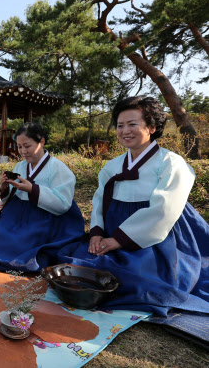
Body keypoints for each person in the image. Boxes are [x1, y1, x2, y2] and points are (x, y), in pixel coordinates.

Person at [58, 96, 209, 316]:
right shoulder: (112, 166)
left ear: (152, 127)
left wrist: (117, 240)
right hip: (113, 229)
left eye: (132, 124)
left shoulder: (172, 163)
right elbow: (99, 201)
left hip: (157, 237)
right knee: (80, 264)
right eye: (120, 125)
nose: (125, 131)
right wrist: (97, 234)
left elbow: (164, 210)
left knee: (137, 280)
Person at [0, 122, 85, 272]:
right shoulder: (20, 166)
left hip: (45, 218)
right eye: (19, 147)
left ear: (41, 142)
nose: (23, 151)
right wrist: (4, 188)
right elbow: (10, 200)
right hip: (17, 214)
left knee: (21, 244)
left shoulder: (59, 169)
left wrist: (32, 190)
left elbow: (63, 204)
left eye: (27, 146)